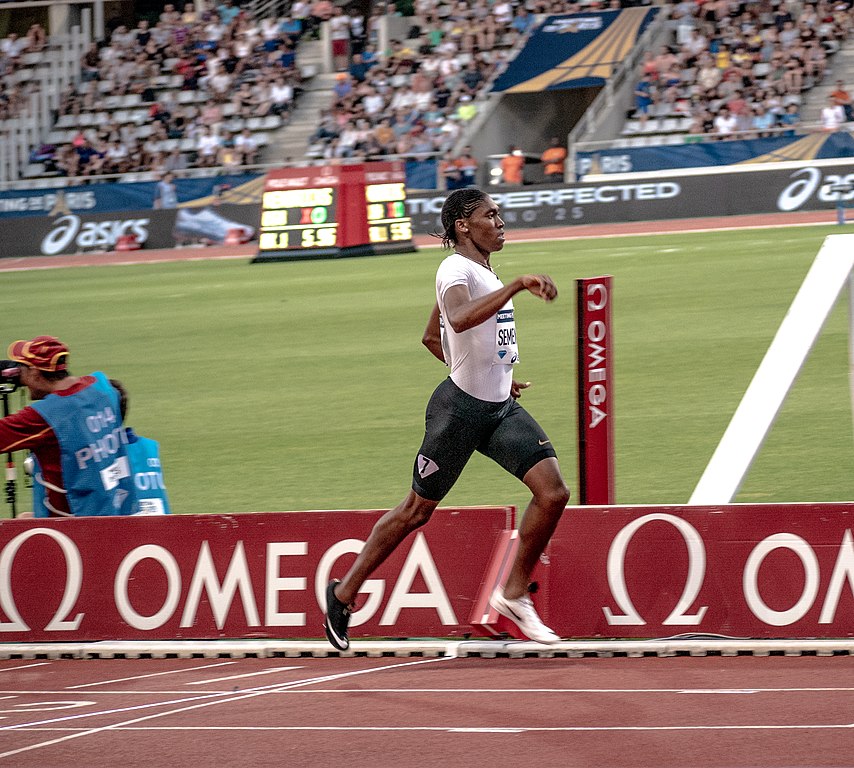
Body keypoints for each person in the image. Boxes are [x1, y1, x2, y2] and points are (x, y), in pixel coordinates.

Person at [323, 188, 570, 650]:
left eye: (500, 215)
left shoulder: (479, 269)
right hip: (458, 413)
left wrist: (495, 371)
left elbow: (431, 337)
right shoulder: (454, 268)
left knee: (553, 492)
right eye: (490, 215)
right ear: (462, 225)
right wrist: (516, 286)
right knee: (416, 511)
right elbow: (455, 320)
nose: (500, 223)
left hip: (498, 408)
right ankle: (342, 594)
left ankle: (514, 594)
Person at [0, 336, 139, 517]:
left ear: (34, 374)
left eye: (21, 369)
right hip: (116, 507)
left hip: (73, 523)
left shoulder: (44, 416)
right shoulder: (102, 387)